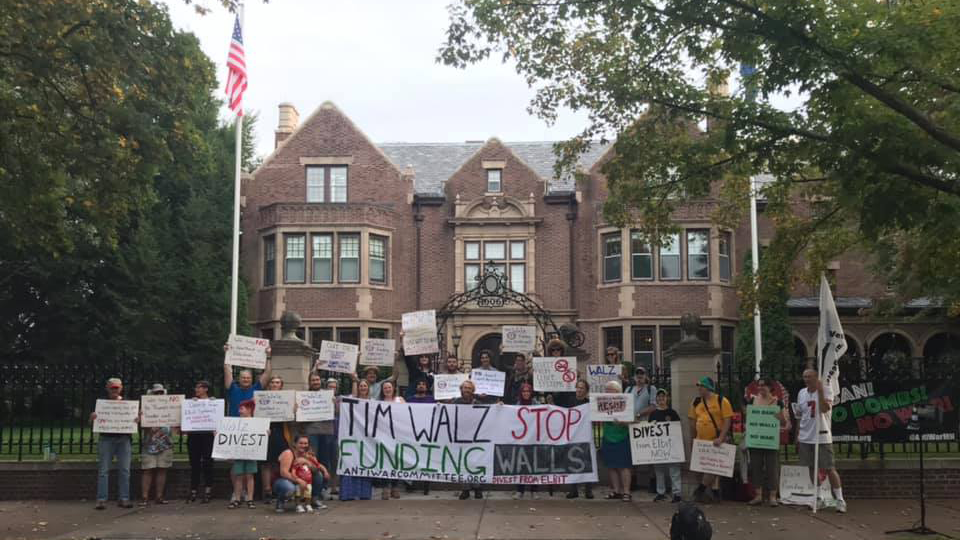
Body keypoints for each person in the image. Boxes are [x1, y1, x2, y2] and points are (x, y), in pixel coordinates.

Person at [796, 368, 846, 513]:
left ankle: (840, 499)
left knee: (829, 468)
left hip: (822, 436)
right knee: (811, 468)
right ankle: (818, 497)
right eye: (804, 376)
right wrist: (798, 434)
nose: (807, 379)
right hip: (806, 436)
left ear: (816, 377)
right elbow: (800, 415)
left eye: (810, 376)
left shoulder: (826, 389)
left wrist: (820, 392)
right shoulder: (801, 393)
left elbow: (825, 409)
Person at [688, 376, 733, 503]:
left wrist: (721, 437)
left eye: (701, 386)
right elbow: (692, 421)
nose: (699, 389)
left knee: (712, 468)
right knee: (698, 468)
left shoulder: (721, 401)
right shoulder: (696, 402)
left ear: (708, 388)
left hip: (715, 441)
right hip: (700, 440)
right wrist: (692, 439)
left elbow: (727, 420)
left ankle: (701, 490)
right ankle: (712, 492)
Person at [745, 378, 790, 507]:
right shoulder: (753, 401)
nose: (761, 388)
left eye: (764, 385)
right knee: (756, 467)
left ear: (770, 387)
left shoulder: (778, 403)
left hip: (771, 441)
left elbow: (784, 423)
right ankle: (758, 495)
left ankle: (772, 496)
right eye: (759, 386)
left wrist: (779, 416)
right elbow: (749, 417)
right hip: (756, 440)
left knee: (772, 468)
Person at [91, 378, 134, 510]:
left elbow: (134, 421)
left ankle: (124, 498)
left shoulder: (128, 403)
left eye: (117, 388)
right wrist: (92, 418)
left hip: (124, 439)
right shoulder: (101, 404)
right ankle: (102, 499)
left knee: (125, 470)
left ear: (121, 388)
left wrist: (137, 419)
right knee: (103, 470)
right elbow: (93, 423)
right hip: (106, 439)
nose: (114, 390)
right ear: (107, 388)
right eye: (112, 388)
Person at [274, 435, 330, 513]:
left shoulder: (308, 454)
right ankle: (280, 501)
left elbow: (316, 469)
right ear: (294, 444)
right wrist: (298, 480)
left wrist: (307, 462)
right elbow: (284, 473)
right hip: (284, 480)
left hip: (303, 479)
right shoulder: (288, 453)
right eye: (301, 443)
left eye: (305, 443)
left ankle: (314, 499)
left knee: (318, 475)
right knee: (289, 488)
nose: (303, 446)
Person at [139, 384, 174, 506]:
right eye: (156, 393)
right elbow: (142, 426)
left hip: (166, 443)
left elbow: (176, 423)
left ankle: (159, 496)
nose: (158, 395)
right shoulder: (145, 408)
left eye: (160, 393)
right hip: (150, 443)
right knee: (147, 470)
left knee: (162, 470)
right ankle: (144, 497)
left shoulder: (170, 408)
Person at [598, 380, 633, 502]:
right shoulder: (603, 403)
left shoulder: (626, 403)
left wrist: (622, 422)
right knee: (611, 466)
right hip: (608, 436)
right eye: (606, 391)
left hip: (622, 437)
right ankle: (616, 491)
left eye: (610, 391)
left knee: (624, 466)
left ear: (618, 392)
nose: (608, 393)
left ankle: (626, 492)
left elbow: (632, 422)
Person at [625, 366, 658, 493]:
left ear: (645, 376)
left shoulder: (651, 389)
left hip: (645, 426)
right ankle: (633, 481)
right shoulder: (628, 389)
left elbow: (653, 406)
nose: (639, 377)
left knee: (649, 455)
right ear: (634, 377)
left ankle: (652, 481)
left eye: (642, 375)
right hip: (630, 426)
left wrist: (638, 414)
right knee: (631, 455)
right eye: (637, 375)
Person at [649, 389, 682, 503]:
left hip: (671, 446)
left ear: (667, 398)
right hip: (658, 447)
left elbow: (677, 429)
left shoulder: (672, 413)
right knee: (659, 471)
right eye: (659, 397)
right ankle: (661, 492)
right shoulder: (653, 414)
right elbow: (648, 431)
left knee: (674, 470)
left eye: (663, 396)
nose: (661, 399)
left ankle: (677, 494)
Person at [229, 399, 263, 509]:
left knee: (249, 476)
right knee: (238, 476)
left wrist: (266, 433)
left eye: (241, 408)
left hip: (251, 453)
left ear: (249, 409)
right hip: (239, 453)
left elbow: (261, 436)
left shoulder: (257, 423)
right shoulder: (234, 423)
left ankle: (250, 498)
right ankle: (237, 498)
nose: (239, 411)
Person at [454, 380, 484, 500]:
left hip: (475, 437)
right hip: (460, 437)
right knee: (462, 463)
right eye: (465, 388)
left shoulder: (478, 403)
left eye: (469, 388)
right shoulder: (455, 403)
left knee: (475, 463)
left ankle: (477, 488)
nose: (466, 390)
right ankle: (465, 489)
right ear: (461, 390)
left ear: (473, 391)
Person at [511, 383, 542, 500]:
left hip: (534, 439)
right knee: (521, 466)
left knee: (534, 465)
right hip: (522, 440)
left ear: (531, 393)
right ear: (521, 393)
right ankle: (520, 490)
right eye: (523, 391)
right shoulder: (517, 405)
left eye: (528, 391)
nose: (526, 393)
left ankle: (534, 490)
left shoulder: (536, 404)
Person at [186, 380, 215, 503]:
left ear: (206, 389)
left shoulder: (213, 402)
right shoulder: (192, 402)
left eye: (200, 387)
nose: (197, 390)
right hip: (194, 436)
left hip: (208, 436)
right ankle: (194, 490)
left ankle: (208, 489)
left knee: (208, 463)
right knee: (195, 464)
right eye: (196, 387)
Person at [261, 375, 289, 504]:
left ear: (281, 385)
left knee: (281, 462)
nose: (274, 384)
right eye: (272, 382)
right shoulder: (262, 397)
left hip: (281, 432)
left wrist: (293, 409)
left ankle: (280, 490)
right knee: (266, 463)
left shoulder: (287, 398)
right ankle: (267, 491)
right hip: (266, 432)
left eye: (277, 382)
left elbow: (292, 417)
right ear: (269, 385)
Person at [565, 379, 594, 499]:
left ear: (586, 391)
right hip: (572, 436)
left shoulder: (589, 403)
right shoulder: (570, 402)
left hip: (586, 436)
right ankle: (573, 490)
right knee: (572, 462)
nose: (579, 390)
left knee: (587, 462)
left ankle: (588, 490)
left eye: (581, 388)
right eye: (577, 387)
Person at [223, 345, 272, 416]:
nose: (246, 379)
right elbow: (227, 370)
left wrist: (268, 356)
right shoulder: (232, 388)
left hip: (251, 424)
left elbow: (267, 373)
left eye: (248, 378)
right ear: (239, 379)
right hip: (234, 425)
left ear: (252, 379)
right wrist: (227, 354)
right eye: (243, 378)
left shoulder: (256, 389)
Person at [377, 380, 405, 500]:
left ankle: (395, 486)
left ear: (393, 389)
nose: (387, 389)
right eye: (385, 388)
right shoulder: (379, 403)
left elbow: (410, 413)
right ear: (382, 391)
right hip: (384, 435)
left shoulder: (400, 400)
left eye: (389, 387)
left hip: (398, 436)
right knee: (385, 461)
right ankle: (385, 487)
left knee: (396, 461)